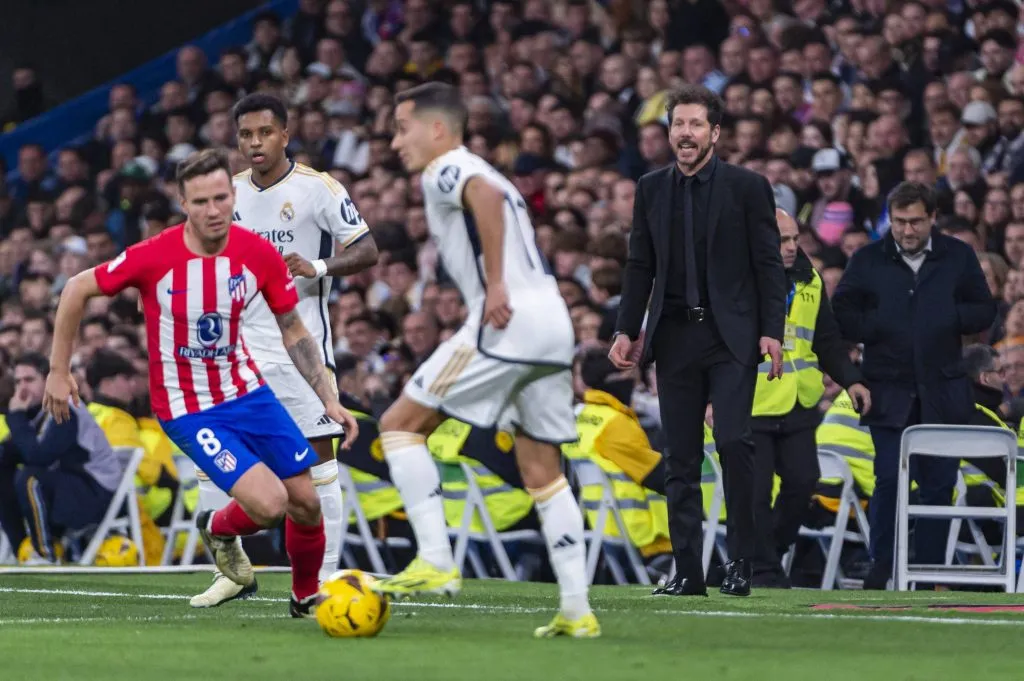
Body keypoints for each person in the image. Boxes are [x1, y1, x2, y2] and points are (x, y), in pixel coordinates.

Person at [42, 149, 359, 617]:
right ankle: (219, 526)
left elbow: (294, 329)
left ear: (233, 196)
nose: (213, 211)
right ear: (183, 203)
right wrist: (57, 369)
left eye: (220, 198)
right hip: (188, 406)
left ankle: (306, 596)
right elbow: (75, 288)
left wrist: (328, 398)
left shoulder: (258, 254)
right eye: (201, 201)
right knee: (271, 505)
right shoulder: (155, 256)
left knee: (307, 502)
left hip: (248, 393)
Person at [377, 82, 599, 639]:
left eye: (402, 128)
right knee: (542, 472)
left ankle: (434, 559)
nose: (395, 141)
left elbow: (485, 197)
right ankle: (577, 610)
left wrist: (495, 283)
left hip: (507, 320)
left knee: (399, 426)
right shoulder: (482, 167)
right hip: (552, 320)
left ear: (436, 128)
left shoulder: (449, 166)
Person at [190, 92, 379, 607]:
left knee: (318, 470)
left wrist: (318, 267)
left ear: (285, 134)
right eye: (246, 134)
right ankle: (231, 573)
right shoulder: (226, 194)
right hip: (234, 354)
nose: (255, 143)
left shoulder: (318, 190)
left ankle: (326, 582)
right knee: (218, 467)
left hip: (301, 352)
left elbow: (367, 249)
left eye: (264, 133)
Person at [608, 84, 787, 598]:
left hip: (731, 335)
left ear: (714, 132)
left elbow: (768, 266)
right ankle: (687, 569)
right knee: (680, 458)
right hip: (675, 336)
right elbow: (639, 264)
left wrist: (771, 331)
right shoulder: (651, 187)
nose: (684, 134)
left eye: (694, 125)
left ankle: (741, 564)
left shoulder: (748, 187)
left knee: (733, 443)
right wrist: (626, 328)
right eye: (677, 125)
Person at [832, 181, 996, 589]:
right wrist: (880, 326)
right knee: (888, 478)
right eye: (900, 222)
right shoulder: (869, 259)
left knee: (939, 484)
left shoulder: (957, 256)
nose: (907, 230)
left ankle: (927, 572)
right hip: (889, 391)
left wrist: (945, 318)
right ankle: (881, 566)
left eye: (915, 222)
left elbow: (984, 310)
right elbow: (843, 312)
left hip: (942, 391)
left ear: (933, 218)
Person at [750, 209, 871, 587]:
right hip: (753, 401)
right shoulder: (738, 279)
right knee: (754, 491)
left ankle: (761, 557)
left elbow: (827, 341)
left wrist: (851, 380)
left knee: (804, 482)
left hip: (800, 400)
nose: (790, 247)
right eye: (781, 240)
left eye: (793, 239)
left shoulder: (810, 281)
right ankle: (766, 570)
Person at [0, 352, 123, 564]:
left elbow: (39, 456)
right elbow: (16, 450)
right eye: (18, 381)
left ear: (48, 380)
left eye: (29, 380)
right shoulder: (37, 411)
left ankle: (44, 554)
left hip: (95, 493)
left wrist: (16, 417)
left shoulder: (65, 405)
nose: (22, 388)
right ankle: (22, 548)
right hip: (70, 487)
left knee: (30, 478)